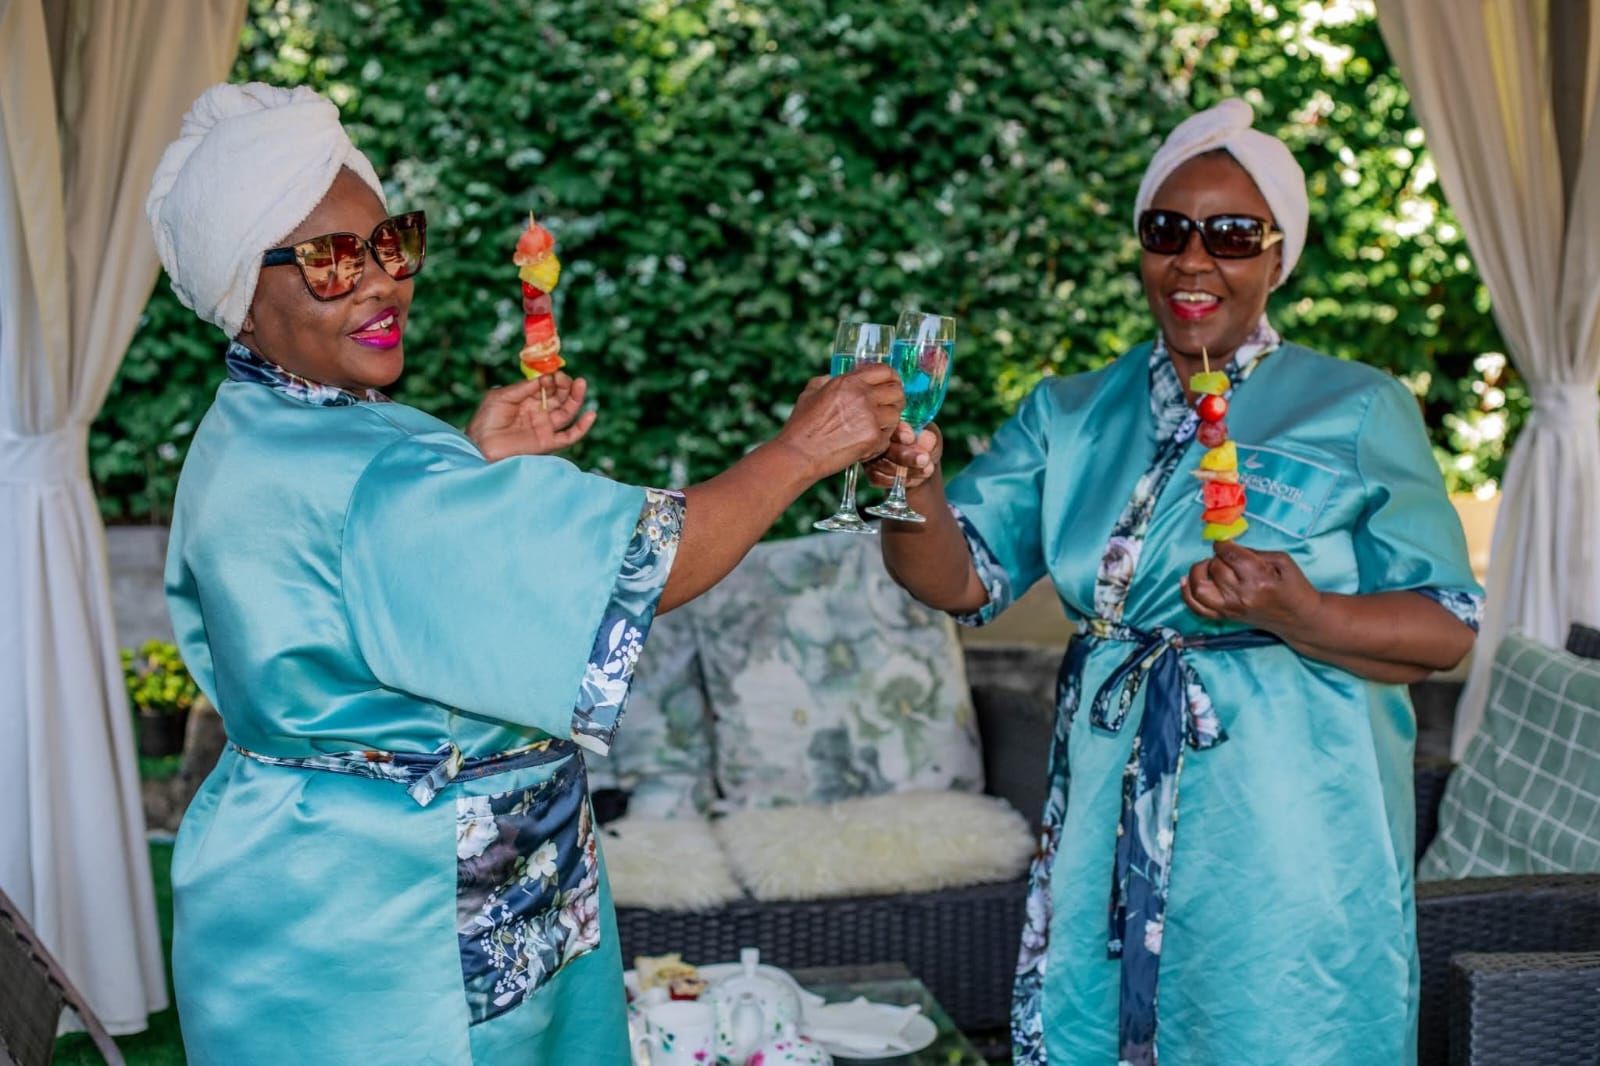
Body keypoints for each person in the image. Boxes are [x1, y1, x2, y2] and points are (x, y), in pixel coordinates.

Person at [145, 82, 905, 1065]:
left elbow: (343, 579)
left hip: (292, 889)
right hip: (402, 929)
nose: (381, 283)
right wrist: (802, 450)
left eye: (391, 243)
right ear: (241, 298)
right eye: (331, 260)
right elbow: (647, 564)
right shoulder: (380, 474)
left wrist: (473, 468)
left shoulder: (250, 426)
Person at [870, 99, 1482, 1065]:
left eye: (1232, 235)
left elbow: (1445, 627)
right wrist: (908, 486)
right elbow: (957, 579)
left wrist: (1300, 610)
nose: (1194, 260)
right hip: (1109, 795)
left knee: (1277, 1026)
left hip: (1289, 808)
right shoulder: (1070, 411)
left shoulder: (1357, 407)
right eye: (1167, 231)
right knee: (1099, 1020)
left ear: (1278, 259)